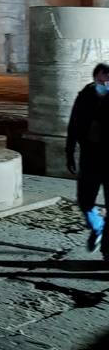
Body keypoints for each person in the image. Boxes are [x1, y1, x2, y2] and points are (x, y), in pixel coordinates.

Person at [66, 61, 109, 259]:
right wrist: (69, 152)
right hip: (90, 157)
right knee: (85, 201)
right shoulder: (85, 96)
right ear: (97, 77)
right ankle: (97, 226)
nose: (106, 82)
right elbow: (74, 124)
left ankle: (107, 250)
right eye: (103, 78)